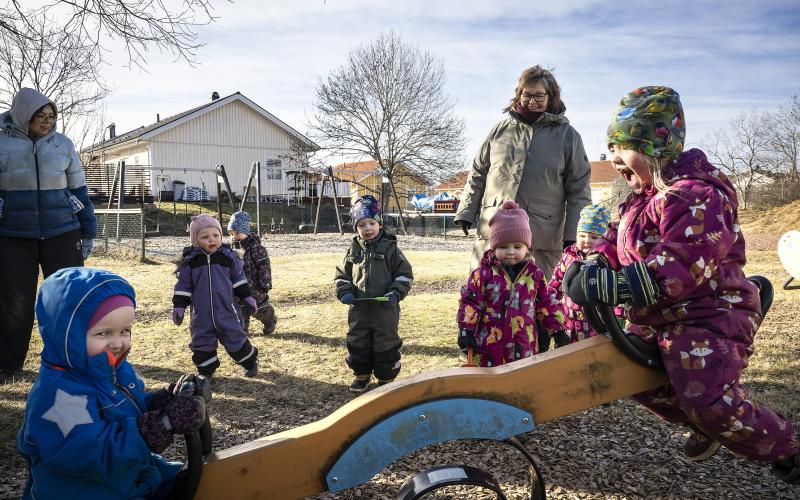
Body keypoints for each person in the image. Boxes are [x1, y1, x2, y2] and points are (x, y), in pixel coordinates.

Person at [565, 86, 799, 483]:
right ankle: (704, 421)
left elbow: (681, 264)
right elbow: (619, 244)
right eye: (612, 146)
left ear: (655, 148)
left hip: (707, 317)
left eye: (624, 147)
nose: (615, 157)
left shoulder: (696, 197)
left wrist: (615, 288)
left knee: (708, 400)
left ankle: (787, 448)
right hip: (659, 318)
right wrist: (591, 266)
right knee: (629, 377)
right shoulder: (639, 201)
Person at [17, 267, 207, 499]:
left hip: (129, 478)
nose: (117, 343)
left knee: (193, 480)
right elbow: (92, 454)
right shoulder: (59, 396)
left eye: (124, 331)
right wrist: (162, 424)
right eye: (104, 333)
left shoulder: (113, 369)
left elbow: (129, 409)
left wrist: (162, 401)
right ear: (68, 335)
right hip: (88, 490)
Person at [454, 65, 591, 281]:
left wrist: (573, 234)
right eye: (527, 95)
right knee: (485, 298)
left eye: (539, 95)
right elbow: (478, 172)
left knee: (538, 302)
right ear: (518, 94)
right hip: (494, 231)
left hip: (542, 237)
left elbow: (579, 188)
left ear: (551, 97)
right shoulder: (499, 131)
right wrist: (466, 212)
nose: (532, 101)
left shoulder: (568, 136)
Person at [0, 88, 96, 383]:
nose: (46, 122)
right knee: (14, 301)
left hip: (62, 232)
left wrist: (88, 227)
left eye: (51, 117)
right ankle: (8, 364)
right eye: (39, 116)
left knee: (68, 298)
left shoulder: (63, 144)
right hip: (14, 235)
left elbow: (78, 190)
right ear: (22, 115)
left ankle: (72, 358)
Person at [456, 200, 567, 367]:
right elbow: (470, 302)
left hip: (525, 350)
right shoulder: (483, 275)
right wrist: (466, 329)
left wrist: (558, 330)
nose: (510, 251)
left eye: (517, 246)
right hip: (489, 351)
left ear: (526, 248)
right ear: (493, 248)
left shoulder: (535, 276)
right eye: (503, 246)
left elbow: (546, 303)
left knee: (522, 385)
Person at [335, 195, 413, 393]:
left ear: (379, 223)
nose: (367, 228)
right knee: (357, 341)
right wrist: (344, 291)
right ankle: (361, 375)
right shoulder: (353, 249)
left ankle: (386, 379)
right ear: (356, 228)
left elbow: (404, 275)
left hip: (385, 310)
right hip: (359, 310)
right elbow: (342, 275)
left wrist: (395, 293)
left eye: (371, 222)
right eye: (361, 224)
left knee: (386, 342)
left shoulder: (391, 248)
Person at [173, 214, 260, 378]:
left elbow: (239, 280)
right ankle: (206, 371)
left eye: (215, 235)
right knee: (201, 342)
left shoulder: (227, 258)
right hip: (201, 314)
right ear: (195, 239)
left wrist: (247, 297)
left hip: (226, 310)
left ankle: (250, 362)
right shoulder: (191, 261)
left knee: (235, 338)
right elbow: (184, 286)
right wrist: (179, 305)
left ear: (221, 236)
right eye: (205, 237)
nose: (211, 240)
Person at [549, 204, 614, 343]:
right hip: (569, 321)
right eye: (582, 235)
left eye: (594, 237)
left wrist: (618, 312)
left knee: (594, 353)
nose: (587, 240)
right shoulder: (568, 257)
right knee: (569, 355)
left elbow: (612, 288)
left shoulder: (606, 260)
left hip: (596, 322)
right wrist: (550, 299)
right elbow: (556, 282)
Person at [228, 210, 277, 335]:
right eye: (231, 234)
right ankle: (242, 333)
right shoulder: (230, 249)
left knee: (259, 310)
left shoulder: (256, 248)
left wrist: (266, 283)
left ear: (245, 231)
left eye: (237, 233)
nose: (234, 237)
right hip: (238, 289)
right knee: (240, 310)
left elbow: (264, 266)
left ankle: (269, 318)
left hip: (255, 288)